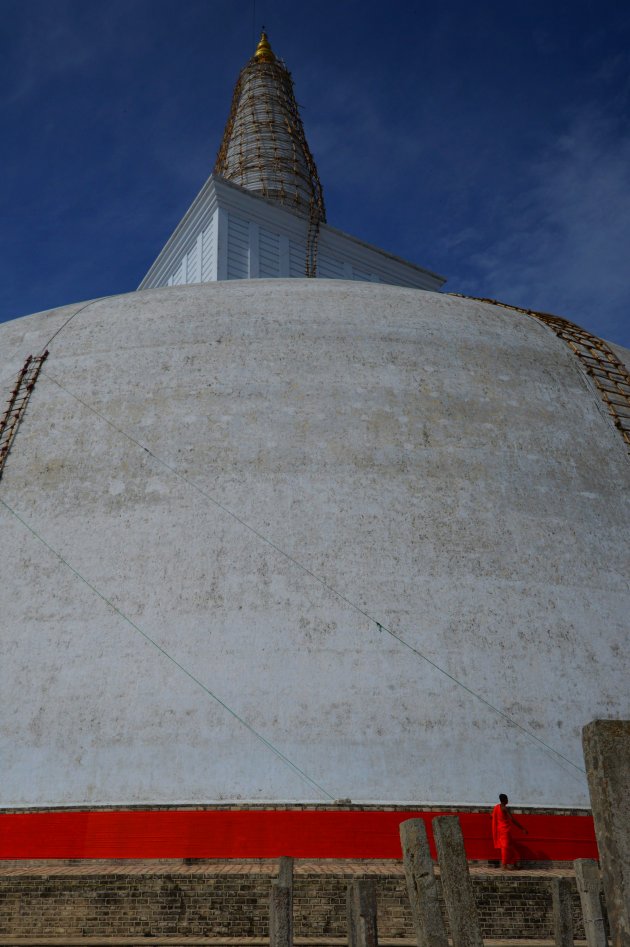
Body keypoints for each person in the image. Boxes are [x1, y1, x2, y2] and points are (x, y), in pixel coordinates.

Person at [492, 793, 528, 869]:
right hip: (505, 831)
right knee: (505, 848)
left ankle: (513, 863)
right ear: (504, 800)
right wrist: (522, 828)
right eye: (507, 799)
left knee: (510, 847)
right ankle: (504, 865)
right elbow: (512, 819)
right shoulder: (504, 808)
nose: (508, 800)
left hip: (500, 830)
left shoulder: (496, 807)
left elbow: (492, 816)